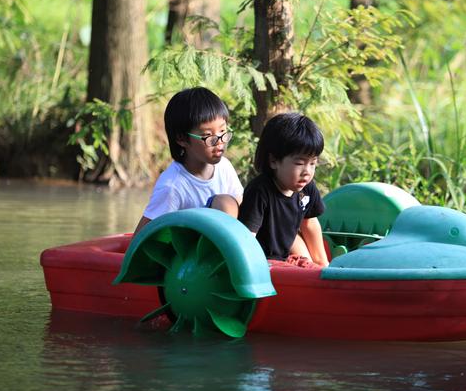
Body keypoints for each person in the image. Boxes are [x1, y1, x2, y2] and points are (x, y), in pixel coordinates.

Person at [133, 87, 243, 235]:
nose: (219, 142)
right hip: (191, 251)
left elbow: (242, 207)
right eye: (208, 135)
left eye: (223, 131)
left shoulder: (224, 167)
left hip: (223, 241)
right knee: (223, 203)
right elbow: (142, 237)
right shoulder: (172, 186)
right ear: (182, 139)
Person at [238, 113, 329, 267]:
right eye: (300, 163)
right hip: (263, 263)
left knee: (312, 269)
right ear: (273, 161)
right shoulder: (260, 191)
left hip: (287, 257)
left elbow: (309, 223)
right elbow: (248, 237)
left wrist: (323, 264)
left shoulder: (307, 188)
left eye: (313, 163)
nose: (307, 171)